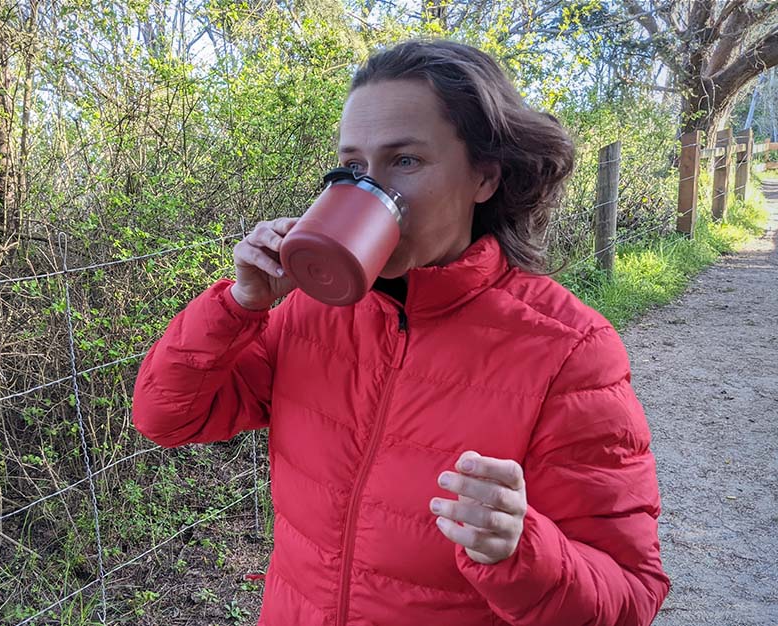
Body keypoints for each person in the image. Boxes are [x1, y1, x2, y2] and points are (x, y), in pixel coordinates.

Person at [132, 39, 670, 626]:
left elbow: (630, 595)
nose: (371, 191)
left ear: (484, 177)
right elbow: (166, 417)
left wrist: (519, 550)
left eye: (405, 161)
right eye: (353, 169)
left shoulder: (567, 349)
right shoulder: (309, 313)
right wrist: (238, 305)